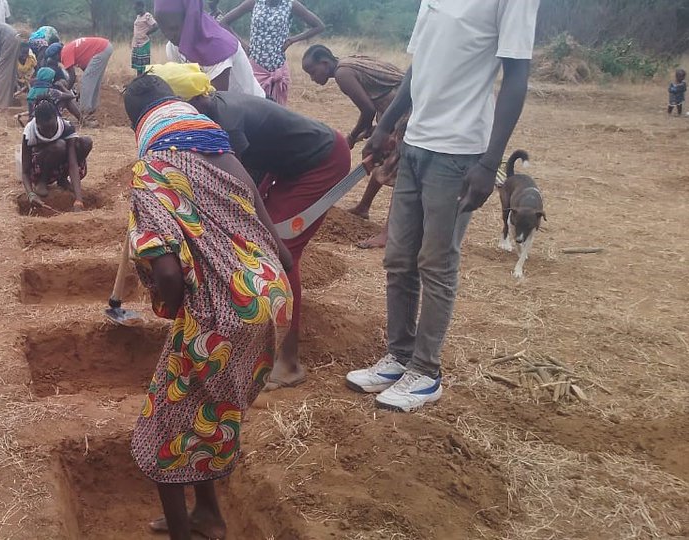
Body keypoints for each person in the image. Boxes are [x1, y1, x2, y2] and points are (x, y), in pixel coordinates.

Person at [121, 75, 293, 540]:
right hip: (269, 297)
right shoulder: (222, 151)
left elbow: (170, 274)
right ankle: (209, 515)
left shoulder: (153, 168)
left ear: (140, 125)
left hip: (222, 312)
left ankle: (182, 532)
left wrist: (174, 308)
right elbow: (275, 236)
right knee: (209, 410)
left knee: (162, 427)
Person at [346, 0, 539, 412]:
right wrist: (385, 126)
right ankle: (399, 356)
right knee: (398, 258)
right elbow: (419, 67)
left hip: (459, 153)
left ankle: (425, 371)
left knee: (436, 262)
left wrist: (489, 162)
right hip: (416, 144)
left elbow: (516, 76)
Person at [155, 72, 348, 390]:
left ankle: (289, 363)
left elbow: (236, 187)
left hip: (319, 162)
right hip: (284, 164)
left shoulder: (226, 123)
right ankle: (254, 336)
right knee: (253, 241)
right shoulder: (210, 113)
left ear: (192, 103)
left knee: (278, 251)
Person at [302, 44, 405, 249]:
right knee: (378, 155)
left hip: (405, 111)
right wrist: (373, 129)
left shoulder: (342, 73)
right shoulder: (348, 64)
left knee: (400, 167)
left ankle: (388, 233)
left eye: (313, 72)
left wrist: (351, 136)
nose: (313, 78)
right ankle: (363, 207)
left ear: (325, 63)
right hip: (394, 111)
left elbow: (366, 110)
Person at [221, 0, 325, 104]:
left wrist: (291, 40)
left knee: (277, 113)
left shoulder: (290, 5)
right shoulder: (254, 3)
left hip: (278, 69)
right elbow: (224, 22)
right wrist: (244, 46)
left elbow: (319, 26)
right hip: (255, 68)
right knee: (253, 110)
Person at [155, 0, 265, 98]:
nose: (169, 35)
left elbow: (217, 103)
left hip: (249, 112)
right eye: (163, 30)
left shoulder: (219, 47)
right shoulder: (173, 47)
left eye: (173, 28)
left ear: (190, 20)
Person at [20, 99, 93, 210]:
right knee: (59, 146)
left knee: (86, 142)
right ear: (37, 124)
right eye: (45, 129)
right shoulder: (30, 132)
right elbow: (25, 171)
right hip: (39, 168)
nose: (49, 134)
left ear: (57, 118)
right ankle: (42, 182)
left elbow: (73, 163)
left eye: (51, 128)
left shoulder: (66, 127)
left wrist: (79, 200)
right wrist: (31, 194)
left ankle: (62, 179)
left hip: (60, 165)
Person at [60, 36, 114, 124]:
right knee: (93, 81)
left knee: (86, 80)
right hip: (104, 47)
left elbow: (72, 77)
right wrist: (82, 92)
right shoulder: (70, 49)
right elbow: (87, 73)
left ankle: (85, 115)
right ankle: (91, 110)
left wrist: (66, 92)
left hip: (101, 49)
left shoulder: (64, 54)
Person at [132, 1, 159, 75]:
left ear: (141, 7)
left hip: (144, 44)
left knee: (144, 66)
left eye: (136, 8)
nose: (135, 10)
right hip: (137, 44)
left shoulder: (147, 16)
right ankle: (139, 80)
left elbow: (155, 26)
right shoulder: (138, 17)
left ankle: (144, 80)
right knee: (138, 66)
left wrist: (147, 33)